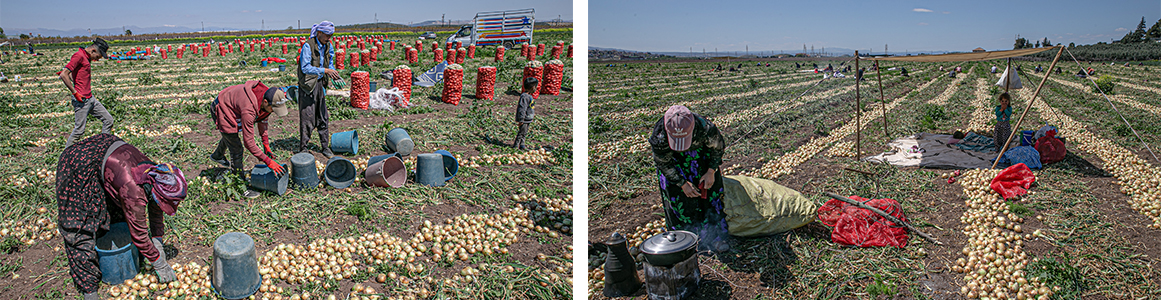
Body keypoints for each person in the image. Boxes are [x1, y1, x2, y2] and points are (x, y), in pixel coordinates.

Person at [56, 134, 188, 300]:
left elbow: (156, 209)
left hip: (106, 157)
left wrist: (158, 240)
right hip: (78, 164)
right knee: (80, 225)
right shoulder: (134, 188)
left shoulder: (157, 174)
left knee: (117, 214)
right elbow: (139, 234)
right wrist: (159, 263)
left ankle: (119, 250)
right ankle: (89, 288)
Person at [649, 105, 728, 251]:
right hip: (675, 165)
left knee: (710, 195)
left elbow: (717, 149)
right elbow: (663, 163)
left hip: (700, 161)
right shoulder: (660, 135)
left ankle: (715, 237)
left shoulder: (706, 128)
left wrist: (711, 171)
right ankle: (683, 242)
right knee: (679, 201)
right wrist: (682, 183)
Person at [210, 81, 290, 198]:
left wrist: (266, 144)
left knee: (230, 136)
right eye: (273, 109)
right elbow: (249, 143)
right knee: (236, 148)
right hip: (223, 107)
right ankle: (239, 185)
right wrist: (268, 161)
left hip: (233, 103)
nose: (273, 111)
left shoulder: (267, 96)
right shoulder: (249, 109)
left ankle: (217, 156)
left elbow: (263, 119)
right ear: (265, 102)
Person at [297, 21, 342, 156]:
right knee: (307, 117)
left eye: (331, 35)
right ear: (319, 33)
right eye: (328, 35)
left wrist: (333, 74)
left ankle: (324, 147)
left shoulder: (328, 46)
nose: (330, 38)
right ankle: (304, 147)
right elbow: (305, 68)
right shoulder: (308, 46)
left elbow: (331, 63)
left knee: (323, 116)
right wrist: (325, 70)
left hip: (320, 84)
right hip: (308, 86)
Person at [59, 38, 113, 148]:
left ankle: (103, 149)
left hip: (90, 98)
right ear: (93, 50)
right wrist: (75, 93)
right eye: (97, 57)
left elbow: (71, 73)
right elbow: (64, 74)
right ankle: (65, 156)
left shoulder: (86, 57)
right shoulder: (79, 56)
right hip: (81, 100)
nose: (97, 60)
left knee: (108, 120)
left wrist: (72, 76)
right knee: (79, 130)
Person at [513, 77, 539, 149]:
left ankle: (522, 145)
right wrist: (521, 119)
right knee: (521, 133)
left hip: (528, 118)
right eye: (535, 87)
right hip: (524, 119)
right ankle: (515, 146)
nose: (536, 89)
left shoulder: (529, 96)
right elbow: (522, 108)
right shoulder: (524, 97)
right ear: (533, 87)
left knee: (524, 133)